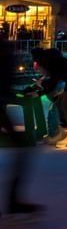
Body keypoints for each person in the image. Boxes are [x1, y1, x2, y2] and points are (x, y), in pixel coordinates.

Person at [1, 31, 43, 219]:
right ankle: (13, 201)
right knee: (22, 148)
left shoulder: (4, 49)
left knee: (22, 148)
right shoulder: (4, 49)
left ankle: (13, 201)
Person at [29, 47, 67, 148]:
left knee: (66, 105)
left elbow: (53, 83)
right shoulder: (51, 61)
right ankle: (62, 132)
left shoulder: (51, 63)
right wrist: (41, 86)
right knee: (59, 104)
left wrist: (38, 93)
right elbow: (52, 81)